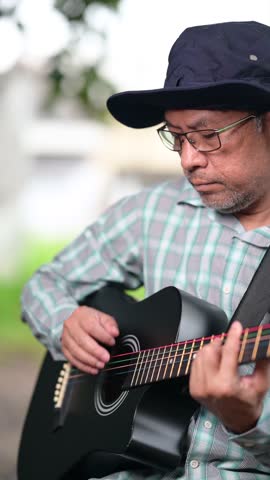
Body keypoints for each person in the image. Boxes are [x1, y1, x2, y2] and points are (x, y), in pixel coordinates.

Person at [21, 20, 270, 479]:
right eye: (176, 137)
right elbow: (45, 283)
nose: (189, 159)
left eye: (207, 134)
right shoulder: (154, 210)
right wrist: (64, 324)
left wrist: (249, 421)